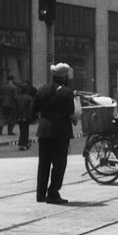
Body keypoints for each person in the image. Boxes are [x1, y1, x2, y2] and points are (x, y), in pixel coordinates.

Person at [34, 63, 76, 204]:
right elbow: (71, 111)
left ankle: (40, 194)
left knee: (44, 163)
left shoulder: (42, 89)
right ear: (64, 77)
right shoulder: (67, 92)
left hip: (44, 131)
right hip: (60, 132)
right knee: (59, 164)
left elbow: (35, 109)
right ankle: (53, 193)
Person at [16, 83, 34, 151]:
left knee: (22, 130)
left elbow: (16, 108)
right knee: (25, 130)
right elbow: (30, 108)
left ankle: (22, 143)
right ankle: (24, 144)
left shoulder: (18, 97)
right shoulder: (29, 98)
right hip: (26, 116)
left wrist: (18, 116)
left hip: (19, 116)